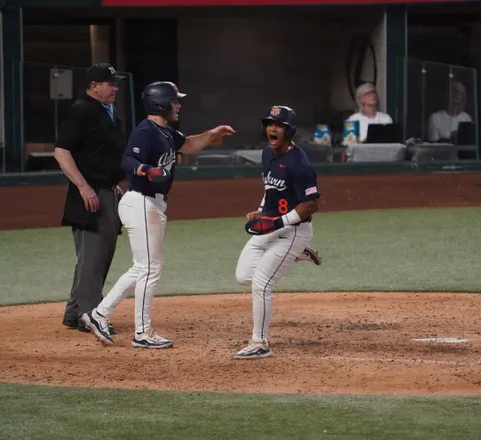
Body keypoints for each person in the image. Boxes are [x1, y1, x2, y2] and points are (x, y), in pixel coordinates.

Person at [80, 81, 235, 348]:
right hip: (141, 202)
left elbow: (187, 145)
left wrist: (211, 134)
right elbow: (128, 159)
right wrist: (145, 170)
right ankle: (142, 332)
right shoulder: (146, 131)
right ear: (161, 103)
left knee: (142, 268)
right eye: (175, 101)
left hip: (150, 205)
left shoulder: (166, 132)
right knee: (150, 269)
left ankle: (98, 314)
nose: (179, 105)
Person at [234, 105, 321, 359]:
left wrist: (278, 222)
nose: (272, 128)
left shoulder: (299, 163)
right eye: (270, 124)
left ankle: (259, 342)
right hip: (272, 225)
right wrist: (261, 210)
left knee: (262, 283)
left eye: (279, 125)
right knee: (243, 276)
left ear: (289, 131)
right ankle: (297, 254)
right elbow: (271, 189)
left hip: (293, 230)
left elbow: (311, 204)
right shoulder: (266, 155)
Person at [54, 63, 127, 334]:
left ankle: (76, 312)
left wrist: (116, 182)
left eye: (115, 83)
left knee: (98, 256)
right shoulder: (82, 110)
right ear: (94, 86)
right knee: (93, 258)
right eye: (110, 83)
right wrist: (84, 187)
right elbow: (62, 151)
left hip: (106, 191)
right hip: (89, 194)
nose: (115, 87)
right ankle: (90, 315)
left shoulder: (108, 113)